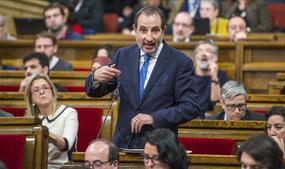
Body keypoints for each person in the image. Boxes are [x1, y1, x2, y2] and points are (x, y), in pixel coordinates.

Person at [85, 6, 201, 148]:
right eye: (143, 30)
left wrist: (154, 117)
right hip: (123, 144)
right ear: (135, 29)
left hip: (159, 148)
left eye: (155, 30)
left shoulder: (180, 63)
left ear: (164, 30)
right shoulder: (123, 55)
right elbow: (95, 91)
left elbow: (191, 107)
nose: (149, 37)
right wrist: (95, 78)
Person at [25, 74, 78, 169]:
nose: (41, 92)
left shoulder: (68, 113)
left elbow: (66, 145)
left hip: (62, 166)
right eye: (36, 90)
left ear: (52, 92)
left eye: (45, 88)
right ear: (31, 98)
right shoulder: (30, 119)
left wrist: (43, 132)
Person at [194, 40, 228, 118]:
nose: (203, 54)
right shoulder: (187, 75)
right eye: (200, 51)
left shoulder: (221, 75)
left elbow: (217, 104)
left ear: (215, 57)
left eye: (208, 51)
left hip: (211, 118)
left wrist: (214, 76)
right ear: (195, 56)